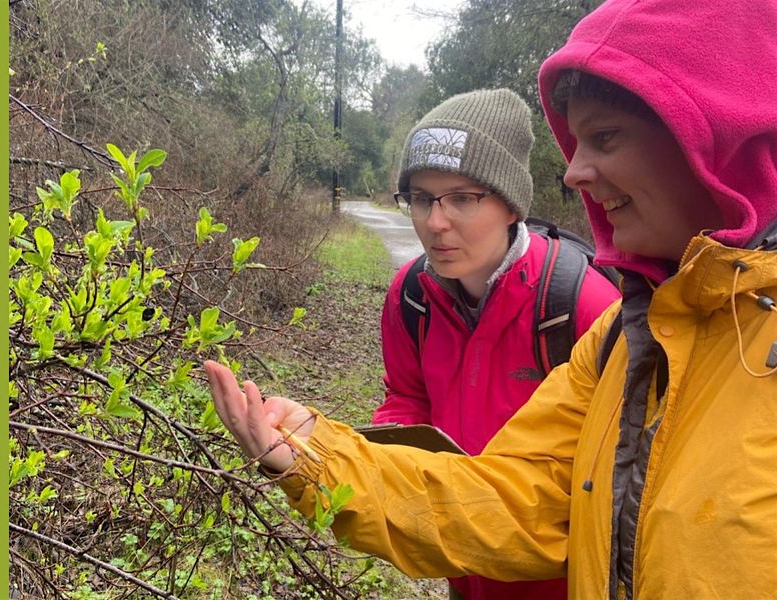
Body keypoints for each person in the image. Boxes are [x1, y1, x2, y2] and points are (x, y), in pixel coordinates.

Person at [204, 0, 777, 598]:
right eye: (420, 199)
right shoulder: (626, 336)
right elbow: (516, 499)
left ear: (718, 136)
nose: (575, 172)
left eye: (605, 137)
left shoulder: (581, 304)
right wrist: (320, 456)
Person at [373, 88, 620, 600]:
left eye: (462, 198)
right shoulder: (410, 296)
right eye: (421, 198)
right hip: (462, 571)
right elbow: (407, 398)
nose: (435, 223)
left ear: (511, 206)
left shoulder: (581, 304)